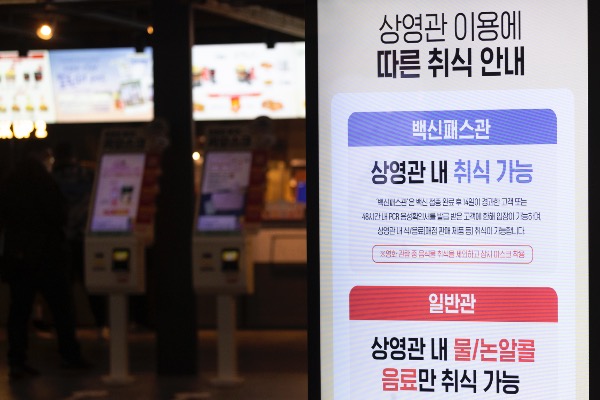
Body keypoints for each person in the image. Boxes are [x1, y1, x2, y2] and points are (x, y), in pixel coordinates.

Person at [0, 141, 91, 382]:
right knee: (62, 308)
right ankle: (69, 354)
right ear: (41, 155)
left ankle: (17, 361)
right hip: (48, 255)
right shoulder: (44, 181)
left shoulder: (11, 180)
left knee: (19, 311)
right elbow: (58, 214)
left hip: (19, 255)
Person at [52, 141, 108, 338]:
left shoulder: (51, 179)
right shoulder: (88, 175)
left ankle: (67, 329)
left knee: (64, 289)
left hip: (61, 239)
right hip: (86, 237)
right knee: (92, 285)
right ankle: (101, 324)